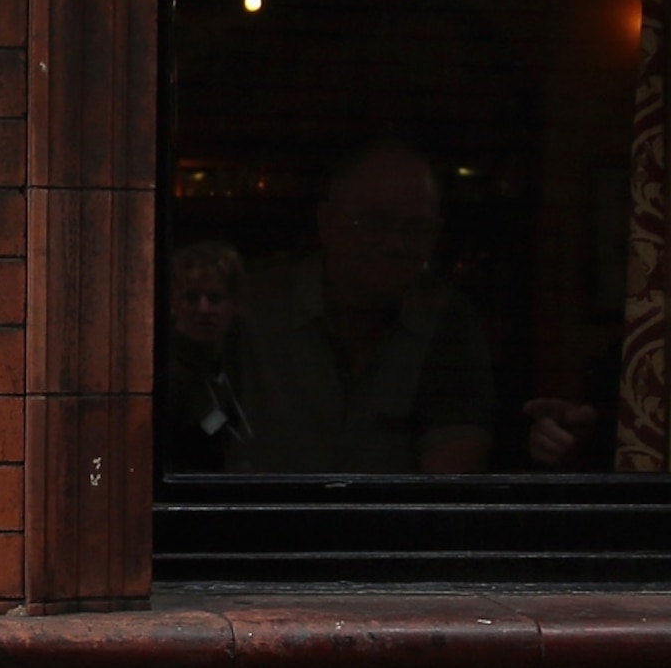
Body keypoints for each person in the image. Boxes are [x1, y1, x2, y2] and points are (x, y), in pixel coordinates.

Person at [222, 142, 499, 472]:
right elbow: (194, 428)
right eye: (374, 224)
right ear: (327, 223)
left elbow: (455, 465)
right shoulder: (248, 308)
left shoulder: (446, 318)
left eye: (416, 228)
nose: (396, 244)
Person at [161, 240, 250, 472]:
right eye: (191, 298)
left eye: (214, 298)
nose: (203, 309)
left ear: (235, 304)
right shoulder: (164, 375)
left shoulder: (241, 366)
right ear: (173, 303)